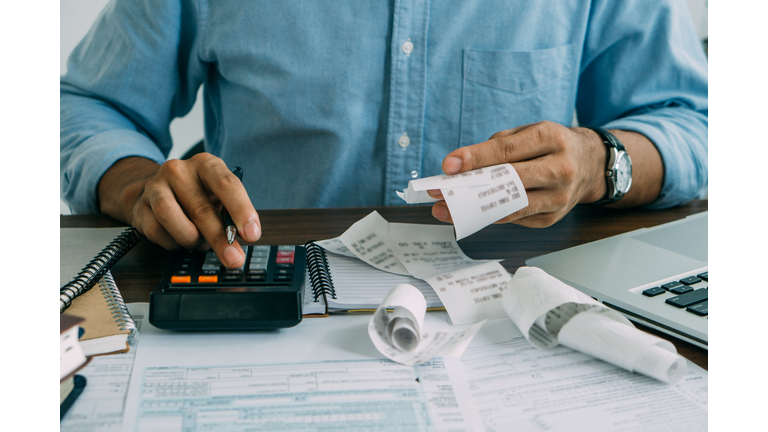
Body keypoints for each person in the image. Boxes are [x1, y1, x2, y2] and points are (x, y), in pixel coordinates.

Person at [60, 0, 708, 269]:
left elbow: (696, 125)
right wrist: (139, 184)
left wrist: (602, 162)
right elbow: (87, 105)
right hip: (266, 293)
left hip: (518, 316)